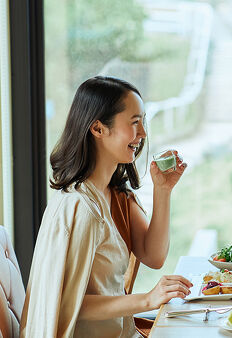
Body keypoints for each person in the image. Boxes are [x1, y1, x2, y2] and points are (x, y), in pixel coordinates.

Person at [20, 76, 192, 337]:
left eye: (143, 122)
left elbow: (153, 256)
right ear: (98, 129)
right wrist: (147, 299)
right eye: (135, 123)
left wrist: (163, 190)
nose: (143, 134)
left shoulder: (116, 196)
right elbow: (67, 303)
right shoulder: (78, 207)